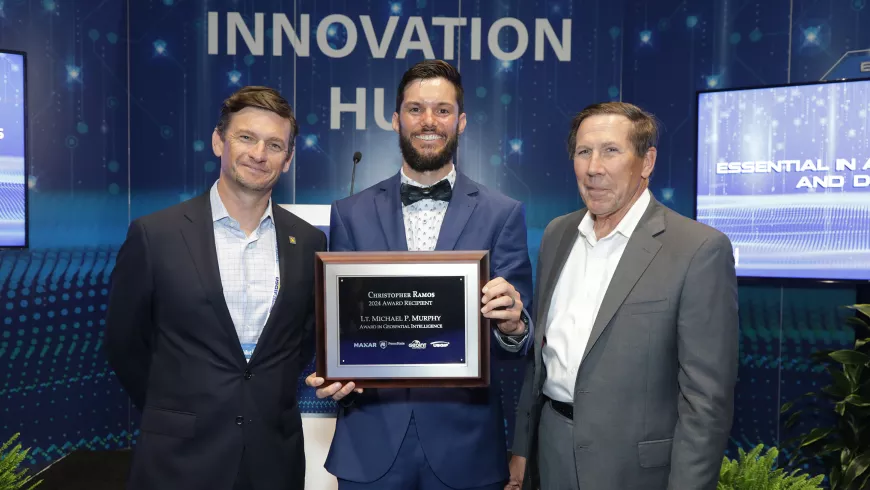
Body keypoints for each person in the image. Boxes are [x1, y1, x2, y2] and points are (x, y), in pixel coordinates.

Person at [305, 60, 534, 490]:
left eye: (442, 110)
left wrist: (514, 324)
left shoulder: (503, 213)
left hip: (465, 448)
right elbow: (340, 325)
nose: (429, 121)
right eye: (415, 109)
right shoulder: (349, 213)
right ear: (395, 119)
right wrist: (334, 370)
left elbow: (517, 340)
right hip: (370, 445)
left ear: (461, 121)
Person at [507, 102, 738, 490]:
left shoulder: (698, 249)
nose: (594, 167)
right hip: (551, 452)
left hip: (635, 471)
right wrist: (522, 448)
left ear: (646, 162)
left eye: (611, 151)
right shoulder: (556, 235)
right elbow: (543, 358)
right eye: (583, 152)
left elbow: (706, 401)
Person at [105, 86, 326, 490]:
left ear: (289, 159)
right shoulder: (156, 236)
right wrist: (174, 410)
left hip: (273, 460)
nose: (259, 154)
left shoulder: (309, 243)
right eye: (246, 137)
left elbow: (301, 343)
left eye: (274, 144)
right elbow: (124, 344)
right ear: (218, 140)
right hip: (177, 461)